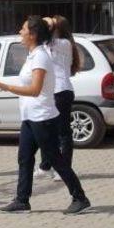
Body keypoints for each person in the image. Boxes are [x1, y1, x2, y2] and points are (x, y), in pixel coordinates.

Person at [0, 16, 91, 215]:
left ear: (33, 34)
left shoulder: (41, 56)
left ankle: (79, 197)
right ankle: (22, 199)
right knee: (24, 157)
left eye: (23, 29)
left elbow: (35, 89)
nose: (20, 32)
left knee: (55, 158)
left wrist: (8, 87)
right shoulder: (33, 54)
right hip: (30, 116)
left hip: (43, 116)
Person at [34, 15, 79, 181]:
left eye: (53, 25)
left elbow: (47, 33)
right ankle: (46, 166)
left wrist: (50, 23)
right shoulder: (49, 44)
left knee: (63, 133)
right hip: (53, 92)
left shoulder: (64, 43)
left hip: (62, 92)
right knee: (48, 130)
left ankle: (64, 167)